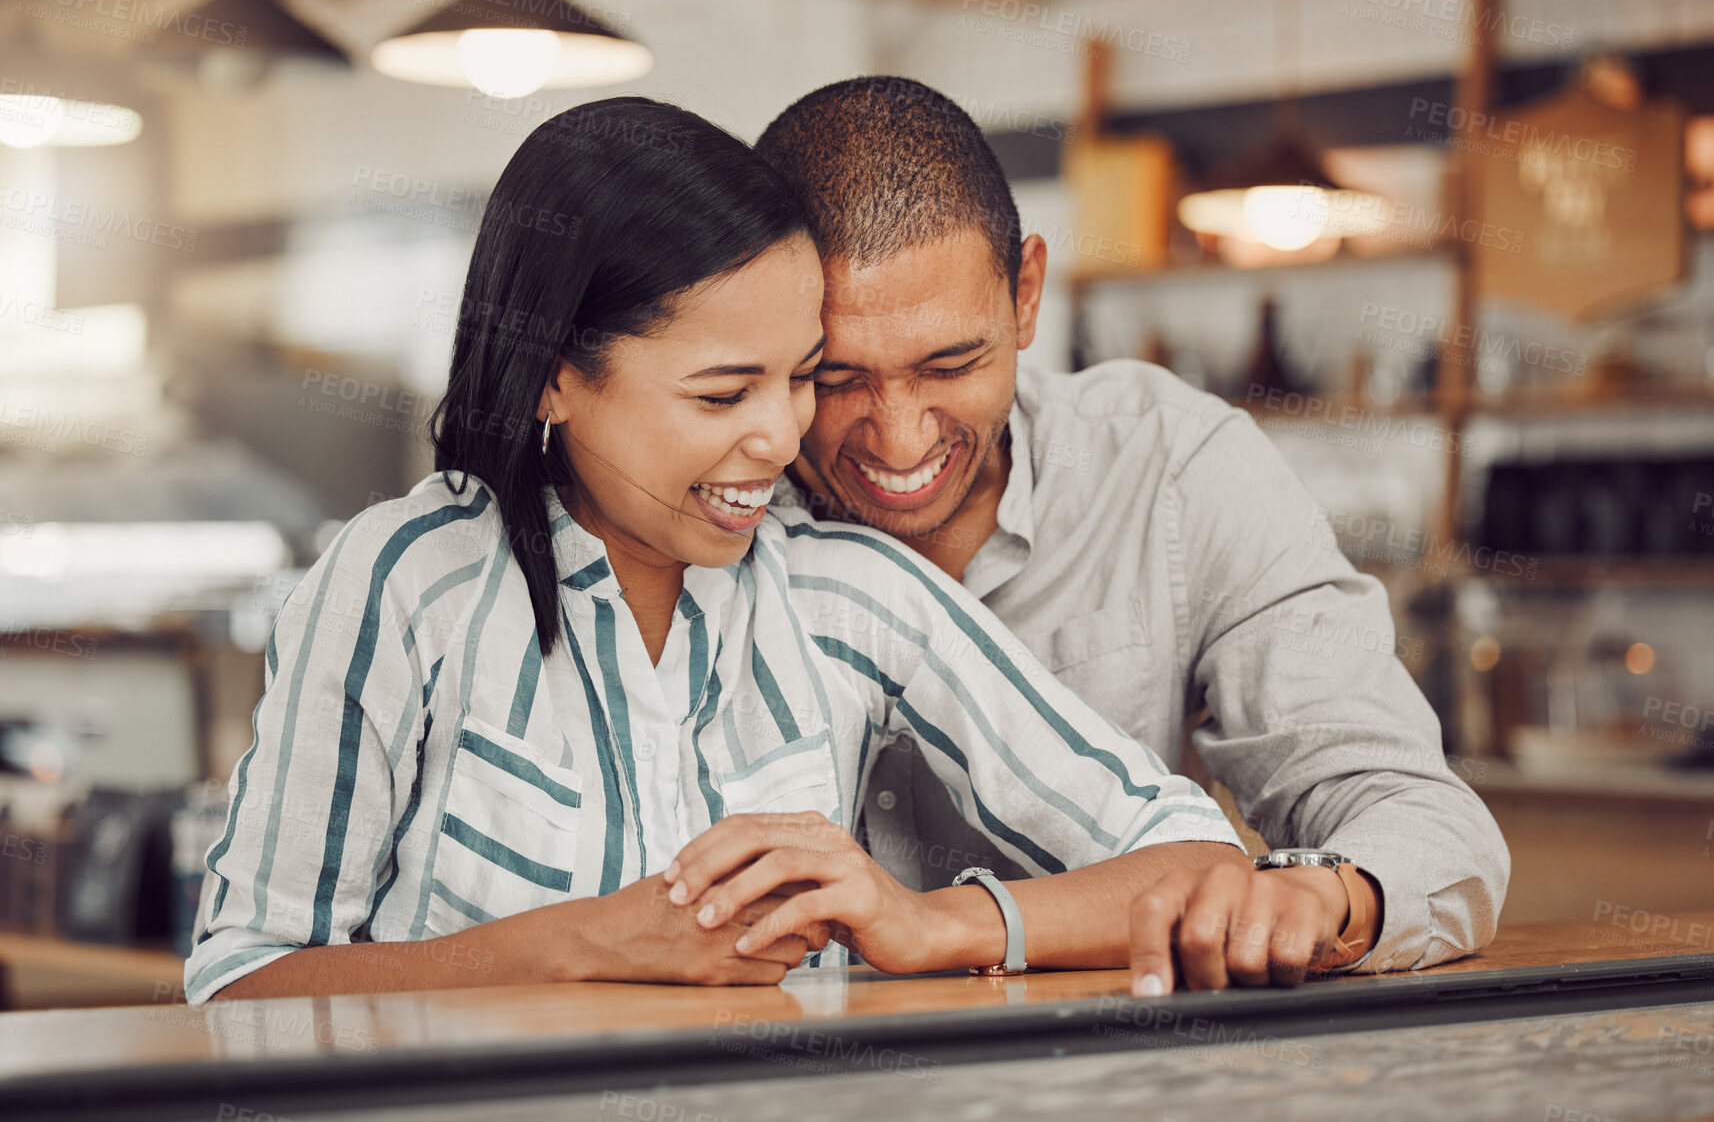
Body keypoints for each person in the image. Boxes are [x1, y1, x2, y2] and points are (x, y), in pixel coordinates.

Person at [184, 98, 1254, 1007]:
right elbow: (240, 981)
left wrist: (931, 922)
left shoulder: (845, 594)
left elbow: (1195, 858)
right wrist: (584, 945)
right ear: (553, 375)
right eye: (721, 393)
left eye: (801, 377)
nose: (784, 438)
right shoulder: (407, 585)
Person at [755, 76, 1511, 992]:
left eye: (952, 363)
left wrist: (1329, 898)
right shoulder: (710, 518)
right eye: (836, 379)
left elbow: (1418, 814)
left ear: (1027, 293)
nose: (901, 436)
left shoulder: (1173, 472)